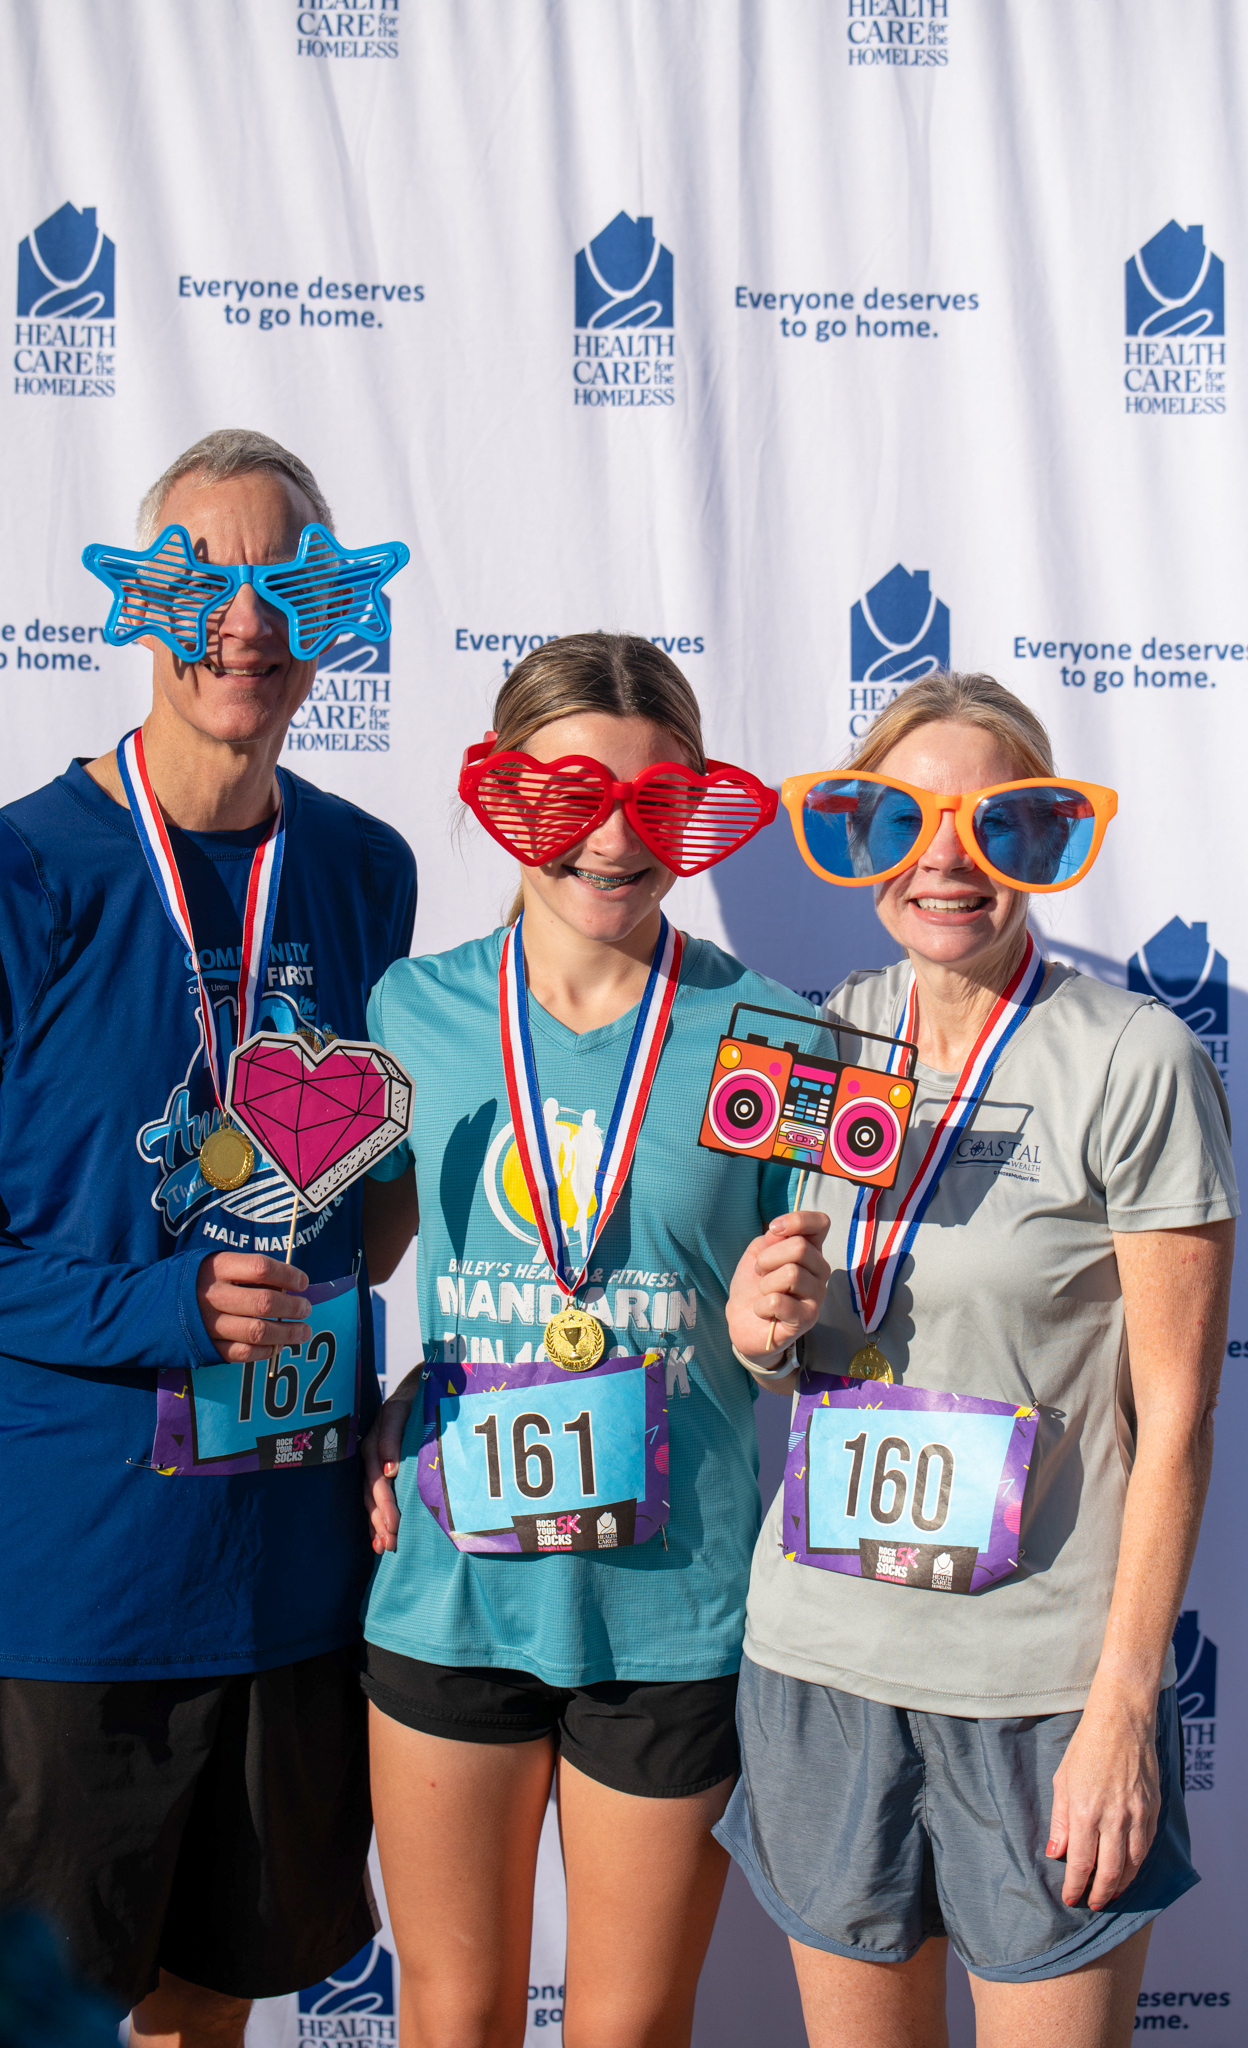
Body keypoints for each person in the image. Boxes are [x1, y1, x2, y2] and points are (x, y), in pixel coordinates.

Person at [0, 429, 416, 2042]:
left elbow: (370, 1213)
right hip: (67, 1585)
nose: (242, 626)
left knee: (210, 2012)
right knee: (23, 2026)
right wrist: (157, 1309)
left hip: (289, 1570)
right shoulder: (5, 879)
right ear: (140, 607)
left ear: (332, 624)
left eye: (286, 586)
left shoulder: (365, 869)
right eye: (200, 582)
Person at [720, 673, 1236, 2048]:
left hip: (1036, 1692)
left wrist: (1127, 1705)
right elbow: (814, 1342)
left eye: (992, 824)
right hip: (823, 1660)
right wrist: (759, 1330)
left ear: (1042, 841)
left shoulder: (1134, 1059)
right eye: (902, 818)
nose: (943, 860)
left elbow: (1177, 1416)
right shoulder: (822, 1038)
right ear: (863, 838)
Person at [357, 633, 832, 2048]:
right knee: (455, 2020)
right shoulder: (413, 1012)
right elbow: (361, 1253)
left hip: (671, 1604)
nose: (614, 842)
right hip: (453, 1582)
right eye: (569, 799)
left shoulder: (777, 1032)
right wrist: (363, 1399)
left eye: (656, 804)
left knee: (626, 2030)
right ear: (505, 802)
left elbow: (817, 1341)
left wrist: (773, 1336)